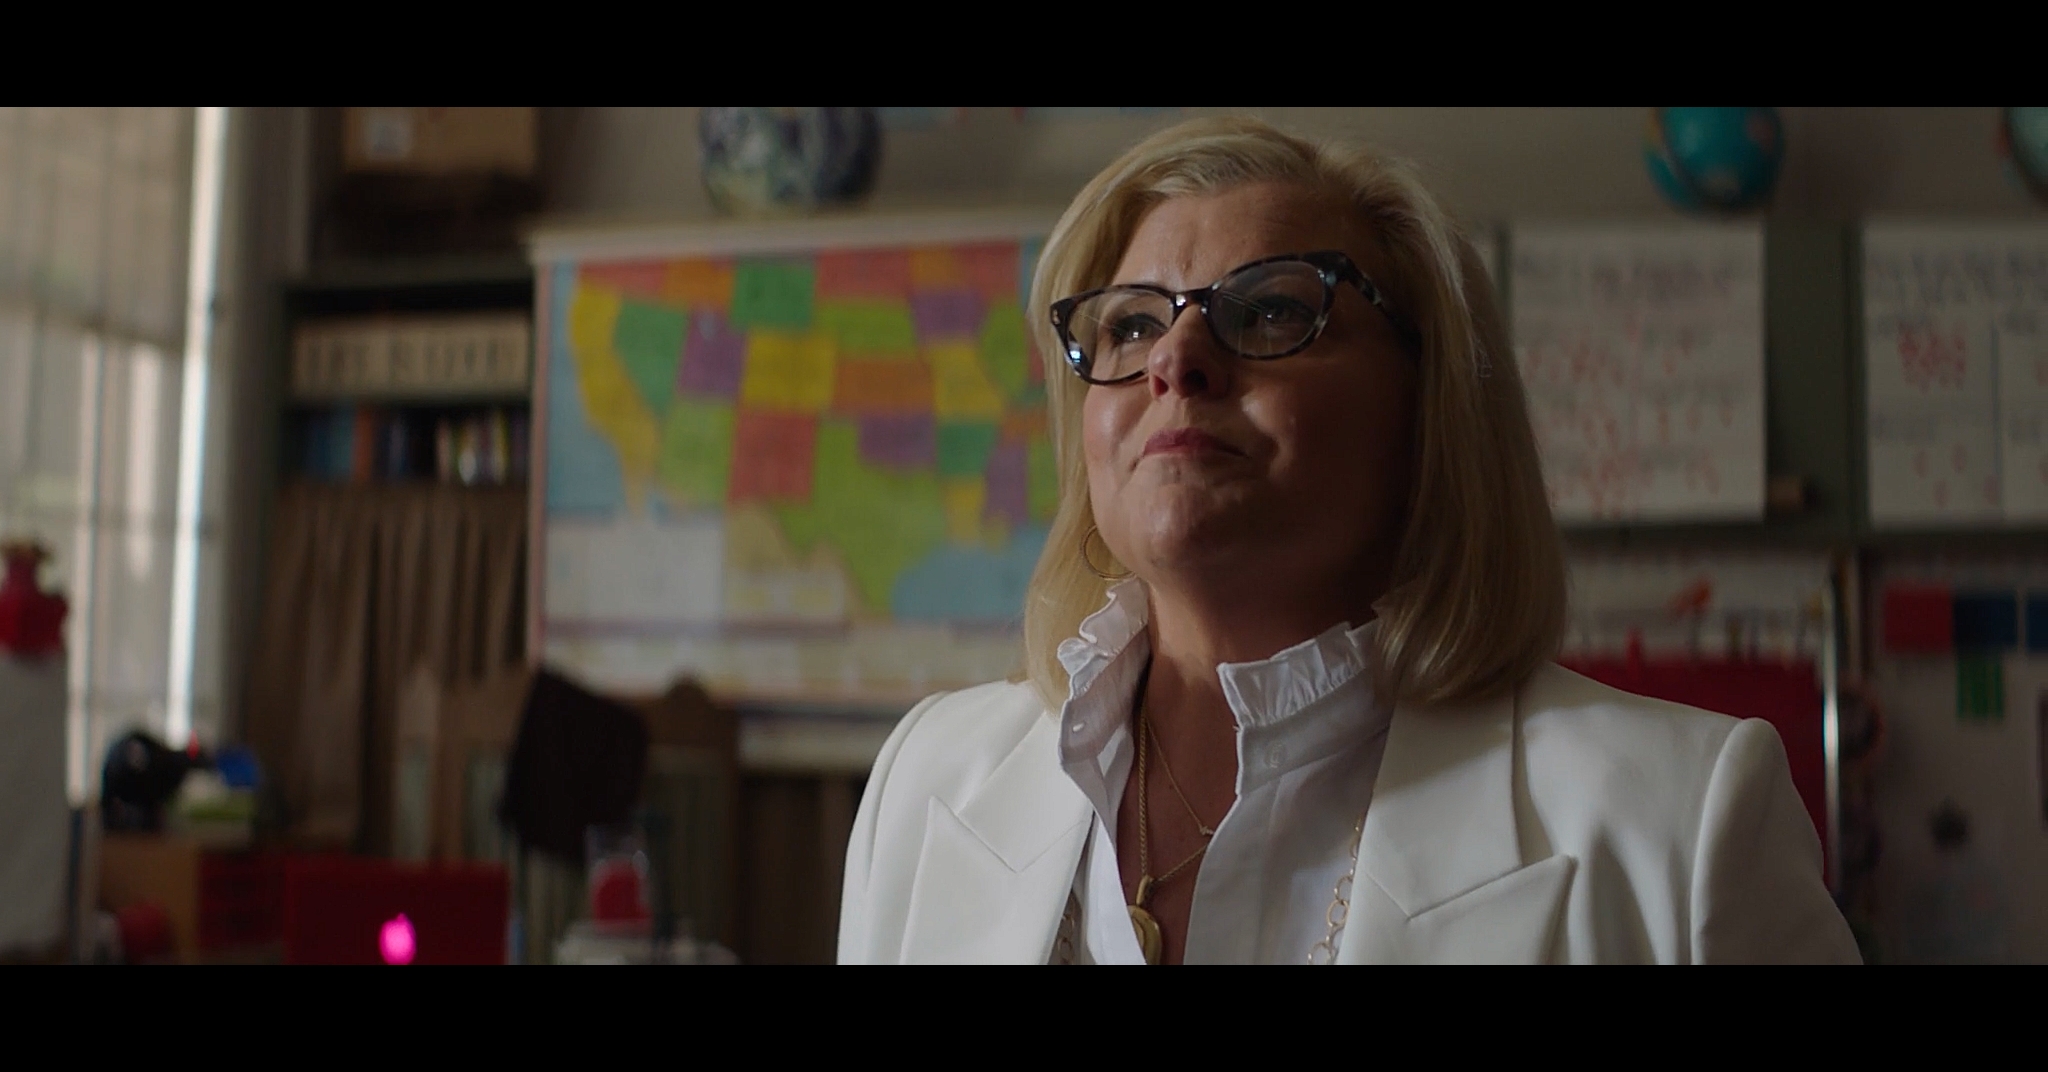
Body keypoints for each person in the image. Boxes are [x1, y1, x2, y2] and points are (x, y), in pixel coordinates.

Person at [836, 116, 1861, 964]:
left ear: (1428, 408)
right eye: (1132, 324)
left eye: (1271, 310)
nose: (1176, 359)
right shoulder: (928, 780)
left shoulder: (1679, 827)